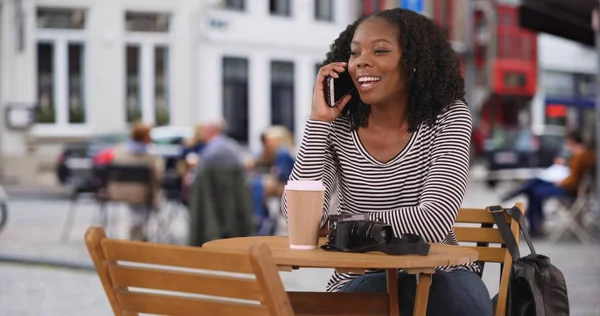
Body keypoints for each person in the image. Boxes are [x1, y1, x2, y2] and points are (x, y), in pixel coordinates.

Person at [281, 8, 491, 315]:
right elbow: (299, 220)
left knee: (424, 295)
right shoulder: (339, 124)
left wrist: (339, 228)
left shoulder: (448, 117)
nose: (362, 61)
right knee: (366, 299)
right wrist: (318, 122)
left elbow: (432, 221)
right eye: (355, 53)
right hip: (362, 279)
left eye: (380, 50)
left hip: (439, 277)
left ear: (414, 63)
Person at [501, 131, 595, 236]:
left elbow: (573, 180)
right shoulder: (584, 154)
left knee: (534, 189)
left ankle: (533, 223)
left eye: (567, 142)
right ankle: (534, 225)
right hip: (570, 187)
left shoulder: (580, 155)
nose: (566, 145)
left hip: (569, 190)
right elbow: (574, 176)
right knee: (535, 184)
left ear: (572, 141)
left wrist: (560, 182)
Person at [109, 122, 164, 241]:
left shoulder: (119, 151)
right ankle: (138, 232)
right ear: (146, 137)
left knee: (136, 209)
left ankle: (137, 229)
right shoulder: (150, 157)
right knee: (147, 200)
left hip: (119, 192)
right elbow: (158, 177)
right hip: (143, 194)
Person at [250, 125, 295, 235]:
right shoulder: (277, 153)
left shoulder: (283, 153)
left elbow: (280, 175)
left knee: (257, 185)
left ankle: (258, 218)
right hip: (284, 186)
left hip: (288, 187)